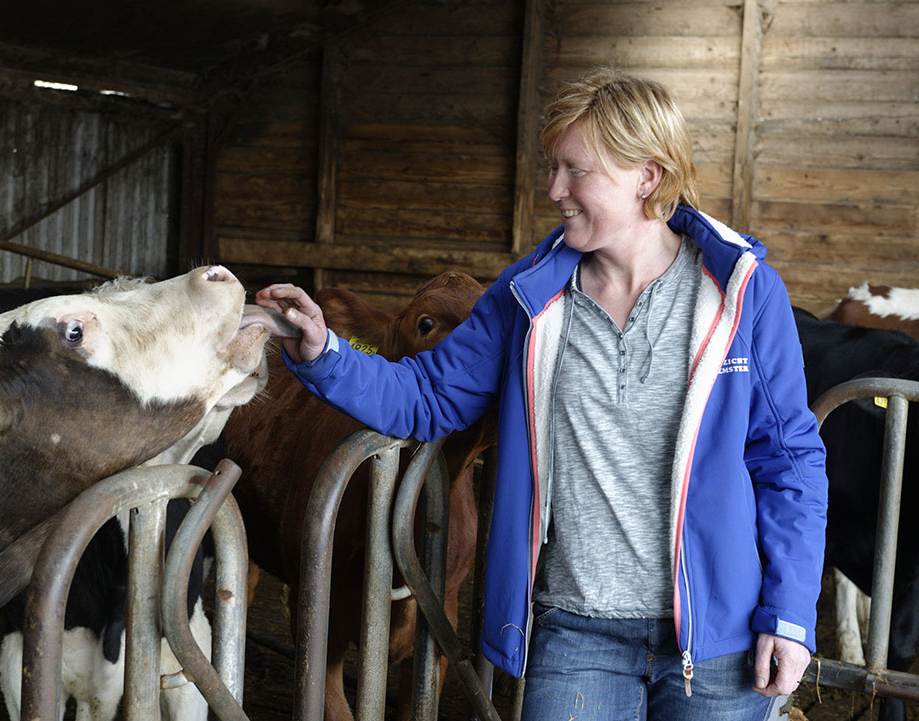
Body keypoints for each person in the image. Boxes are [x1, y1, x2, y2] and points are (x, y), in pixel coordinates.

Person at [256, 67, 827, 720]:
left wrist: (790, 613)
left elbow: (790, 461)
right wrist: (322, 352)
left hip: (718, 640)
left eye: (576, 170)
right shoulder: (530, 296)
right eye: (552, 167)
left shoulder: (743, 294)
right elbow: (427, 394)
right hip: (577, 635)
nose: (554, 190)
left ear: (649, 175)